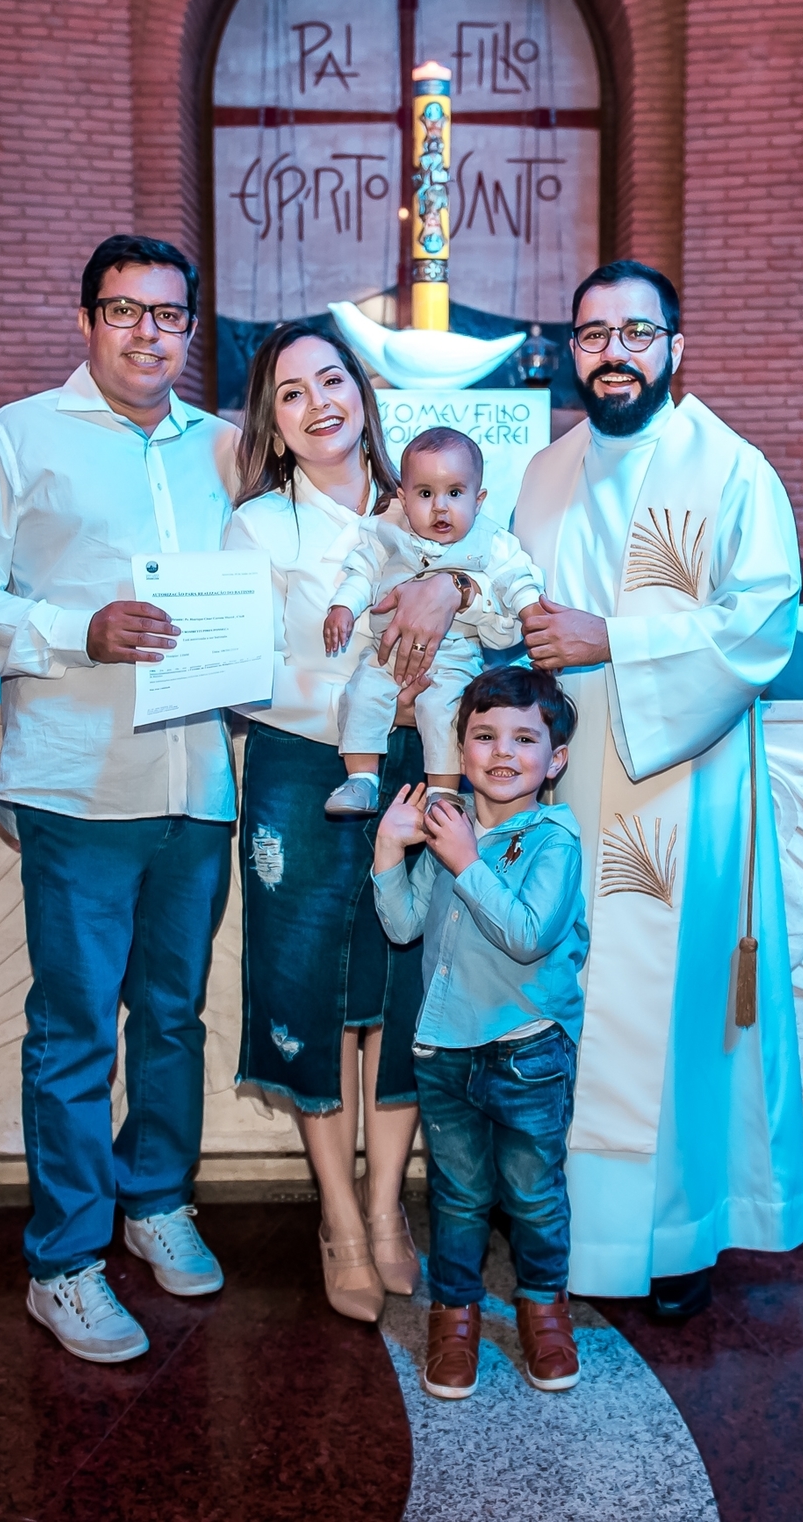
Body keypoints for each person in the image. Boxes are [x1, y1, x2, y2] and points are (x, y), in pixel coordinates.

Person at [0, 235, 238, 1365]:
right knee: (70, 1031)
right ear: (86, 318)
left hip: (199, 779)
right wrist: (69, 629)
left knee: (174, 1016)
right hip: (77, 780)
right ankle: (64, 1259)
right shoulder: (19, 438)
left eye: (169, 314)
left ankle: (154, 1199)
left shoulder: (230, 448)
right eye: (123, 310)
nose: (148, 332)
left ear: (193, 327)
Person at [514, 259, 803, 1320]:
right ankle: (568, 1230)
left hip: (683, 779)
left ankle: (674, 1237)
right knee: (567, 996)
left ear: (676, 348)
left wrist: (616, 641)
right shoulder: (543, 473)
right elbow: (507, 595)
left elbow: (764, 626)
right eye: (593, 335)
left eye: (638, 334)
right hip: (556, 784)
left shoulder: (732, 472)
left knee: (668, 1010)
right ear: (571, 352)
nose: (615, 354)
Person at [225, 321, 482, 1324]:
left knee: (405, 988)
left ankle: (387, 1212)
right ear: (275, 423)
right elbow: (237, 676)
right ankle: (336, 1214)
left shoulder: (422, 503)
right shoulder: (257, 529)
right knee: (319, 996)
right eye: (292, 393)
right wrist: (339, 686)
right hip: (297, 773)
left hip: (418, 765)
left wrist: (452, 582)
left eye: (332, 379)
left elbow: (503, 610)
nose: (319, 402)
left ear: (364, 392)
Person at [373, 665, 587, 1399]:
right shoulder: (449, 827)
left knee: (534, 1193)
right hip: (446, 1050)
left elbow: (528, 935)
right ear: (461, 749)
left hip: (529, 1048)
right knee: (458, 1196)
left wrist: (464, 859)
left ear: (554, 759)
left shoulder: (554, 839)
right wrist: (388, 852)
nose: (502, 752)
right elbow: (403, 927)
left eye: (525, 739)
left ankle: (544, 1313)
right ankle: (454, 1319)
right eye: (484, 735)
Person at [324, 425, 544, 815]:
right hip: (385, 651)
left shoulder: (491, 542)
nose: (440, 507)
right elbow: (360, 572)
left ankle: (444, 792)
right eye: (426, 494)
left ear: (478, 500)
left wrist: (531, 612)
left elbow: (517, 577)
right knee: (362, 693)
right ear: (404, 500)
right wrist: (343, 606)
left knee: (445, 707)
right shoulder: (385, 533)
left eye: (455, 493)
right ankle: (361, 779)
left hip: (454, 655)